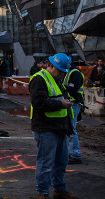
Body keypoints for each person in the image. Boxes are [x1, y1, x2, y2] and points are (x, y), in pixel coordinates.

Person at [29, 53, 76, 199]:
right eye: (60, 71)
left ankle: (59, 190)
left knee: (61, 161)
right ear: (51, 66)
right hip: (45, 127)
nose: (62, 74)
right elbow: (39, 103)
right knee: (46, 162)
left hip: (58, 127)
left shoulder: (56, 80)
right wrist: (61, 104)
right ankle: (43, 193)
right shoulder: (39, 79)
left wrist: (67, 128)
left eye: (63, 71)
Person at [63, 64, 84, 165]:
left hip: (73, 103)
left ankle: (75, 155)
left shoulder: (75, 73)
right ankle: (72, 153)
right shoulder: (69, 73)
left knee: (71, 128)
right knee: (69, 128)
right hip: (71, 102)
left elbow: (72, 89)